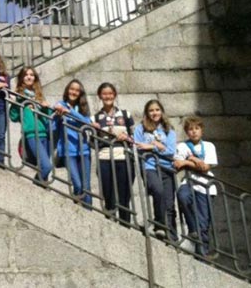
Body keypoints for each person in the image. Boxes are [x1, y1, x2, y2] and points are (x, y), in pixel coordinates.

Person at [133, 99, 177, 240]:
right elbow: (138, 147)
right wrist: (159, 148)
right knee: (158, 191)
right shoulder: (141, 129)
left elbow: (170, 151)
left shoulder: (168, 129)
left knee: (169, 204)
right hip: (149, 166)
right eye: (151, 110)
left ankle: (172, 237)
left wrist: (153, 147)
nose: (155, 113)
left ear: (162, 111)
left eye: (157, 110)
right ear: (147, 113)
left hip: (166, 168)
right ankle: (159, 224)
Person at [174, 116, 218, 256]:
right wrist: (193, 162)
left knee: (204, 222)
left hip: (205, 186)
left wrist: (189, 160)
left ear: (202, 130)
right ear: (187, 132)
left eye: (197, 129)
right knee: (182, 196)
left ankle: (202, 253)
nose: (194, 132)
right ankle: (192, 228)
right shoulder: (182, 146)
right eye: (190, 129)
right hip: (190, 182)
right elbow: (177, 164)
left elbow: (205, 167)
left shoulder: (209, 146)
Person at [93, 82, 135, 223]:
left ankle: (125, 225)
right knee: (108, 194)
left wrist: (127, 137)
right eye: (104, 94)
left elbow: (135, 137)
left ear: (115, 95)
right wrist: (97, 133)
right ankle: (110, 223)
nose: (108, 96)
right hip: (104, 157)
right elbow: (92, 142)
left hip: (124, 157)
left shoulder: (125, 114)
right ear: (100, 96)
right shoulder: (95, 118)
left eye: (110, 93)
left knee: (124, 196)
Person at [9, 67, 54, 182]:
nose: (29, 77)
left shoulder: (38, 96)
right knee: (46, 166)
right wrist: (15, 103)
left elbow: (47, 118)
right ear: (21, 78)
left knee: (43, 169)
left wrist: (46, 107)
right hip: (31, 134)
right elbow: (13, 117)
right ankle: (36, 184)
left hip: (45, 135)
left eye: (32, 75)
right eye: (26, 75)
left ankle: (42, 188)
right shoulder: (20, 97)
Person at [53, 79, 93, 206]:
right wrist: (56, 117)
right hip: (67, 151)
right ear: (67, 90)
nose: (74, 92)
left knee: (86, 187)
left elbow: (87, 123)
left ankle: (89, 214)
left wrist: (71, 112)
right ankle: (78, 210)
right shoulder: (60, 104)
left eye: (77, 90)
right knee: (77, 184)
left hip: (84, 150)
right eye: (72, 89)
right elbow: (53, 128)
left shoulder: (82, 108)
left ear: (80, 93)